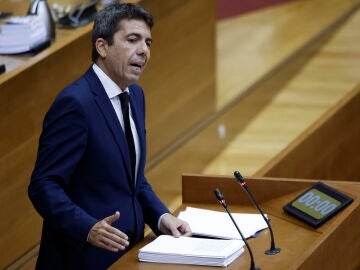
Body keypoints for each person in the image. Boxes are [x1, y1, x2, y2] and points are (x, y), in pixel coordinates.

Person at [28, 2, 191, 269]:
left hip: (130, 254)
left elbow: (131, 178)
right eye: (132, 40)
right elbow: (43, 185)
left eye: (148, 42)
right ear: (102, 47)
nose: (144, 51)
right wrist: (87, 228)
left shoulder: (135, 95)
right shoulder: (75, 103)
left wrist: (162, 217)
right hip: (82, 259)